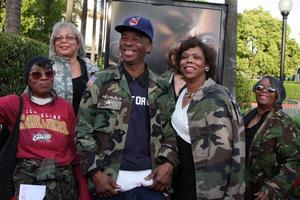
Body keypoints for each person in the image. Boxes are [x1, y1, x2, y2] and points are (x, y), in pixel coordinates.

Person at [75, 16, 178, 200]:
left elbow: (172, 133)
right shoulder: (100, 81)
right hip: (110, 184)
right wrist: (95, 172)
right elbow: (83, 131)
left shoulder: (162, 87)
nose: (128, 43)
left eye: (136, 39)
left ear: (148, 47)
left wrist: (168, 164)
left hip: (151, 184)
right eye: (124, 38)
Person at [0, 56, 90, 199]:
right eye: (36, 74)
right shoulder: (15, 104)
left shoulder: (65, 107)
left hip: (62, 185)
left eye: (49, 74)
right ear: (27, 79)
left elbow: (75, 151)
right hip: (28, 183)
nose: (44, 78)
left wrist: (84, 193)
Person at [170, 36, 245, 200]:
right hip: (178, 176)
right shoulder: (181, 92)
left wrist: (232, 193)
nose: (189, 61)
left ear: (207, 66)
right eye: (184, 57)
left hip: (204, 182)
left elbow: (233, 149)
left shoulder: (217, 96)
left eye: (196, 57)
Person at [244, 76, 300, 199]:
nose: (264, 90)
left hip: (266, 193)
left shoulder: (284, 123)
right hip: (243, 188)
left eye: (270, 89)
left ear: (278, 95)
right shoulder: (246, 117)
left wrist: (273, 188)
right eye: (260, 87)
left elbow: (295, 161)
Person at [49, 21, 99, 114]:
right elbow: (29, 97)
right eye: (58, 38)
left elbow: (98, 88)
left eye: (69, 37)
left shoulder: (91, 68)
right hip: (54, 125)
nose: (63, 40)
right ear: (54, 45)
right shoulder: (46, 68)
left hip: (84, 126)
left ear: (78, 44)